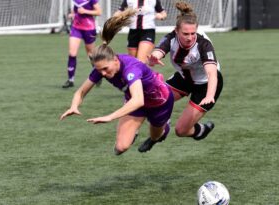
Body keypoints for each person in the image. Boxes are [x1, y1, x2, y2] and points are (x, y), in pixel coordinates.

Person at [60, 9, 174, 155]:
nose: (103, 74)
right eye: (99, 70)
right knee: (120, 148)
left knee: (156, 136)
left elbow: (138, 100)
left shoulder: (131, 68)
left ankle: (163, 128)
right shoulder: (102, 68)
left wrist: (110, 117)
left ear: (115, 60)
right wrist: (74, 106)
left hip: (159, 101)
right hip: (135, 101)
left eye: (105, 69)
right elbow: (81, 91)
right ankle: (135, 130)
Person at [147, 2, 223, 141]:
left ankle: (201, 130)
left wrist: (210, 95)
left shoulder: (203, 44)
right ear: (176, 31)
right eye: (185, 33)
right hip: (184, 78)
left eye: (193, 33)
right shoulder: (171, 37)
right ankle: (162, 128)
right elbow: (159, 50)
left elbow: (212, 73)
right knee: (155, 98)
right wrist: (154, 57)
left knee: (181, 130)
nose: (189, 37)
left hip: (206, 85)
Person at [62, 0, 102, 88]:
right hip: (76, 28)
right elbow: (75, 9)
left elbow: (99, 12)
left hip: (89, 29)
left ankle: (98, 74)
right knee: (72, 53)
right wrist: (72, 14)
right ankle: (70, 80)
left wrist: (85, 11)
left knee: (91, 55)